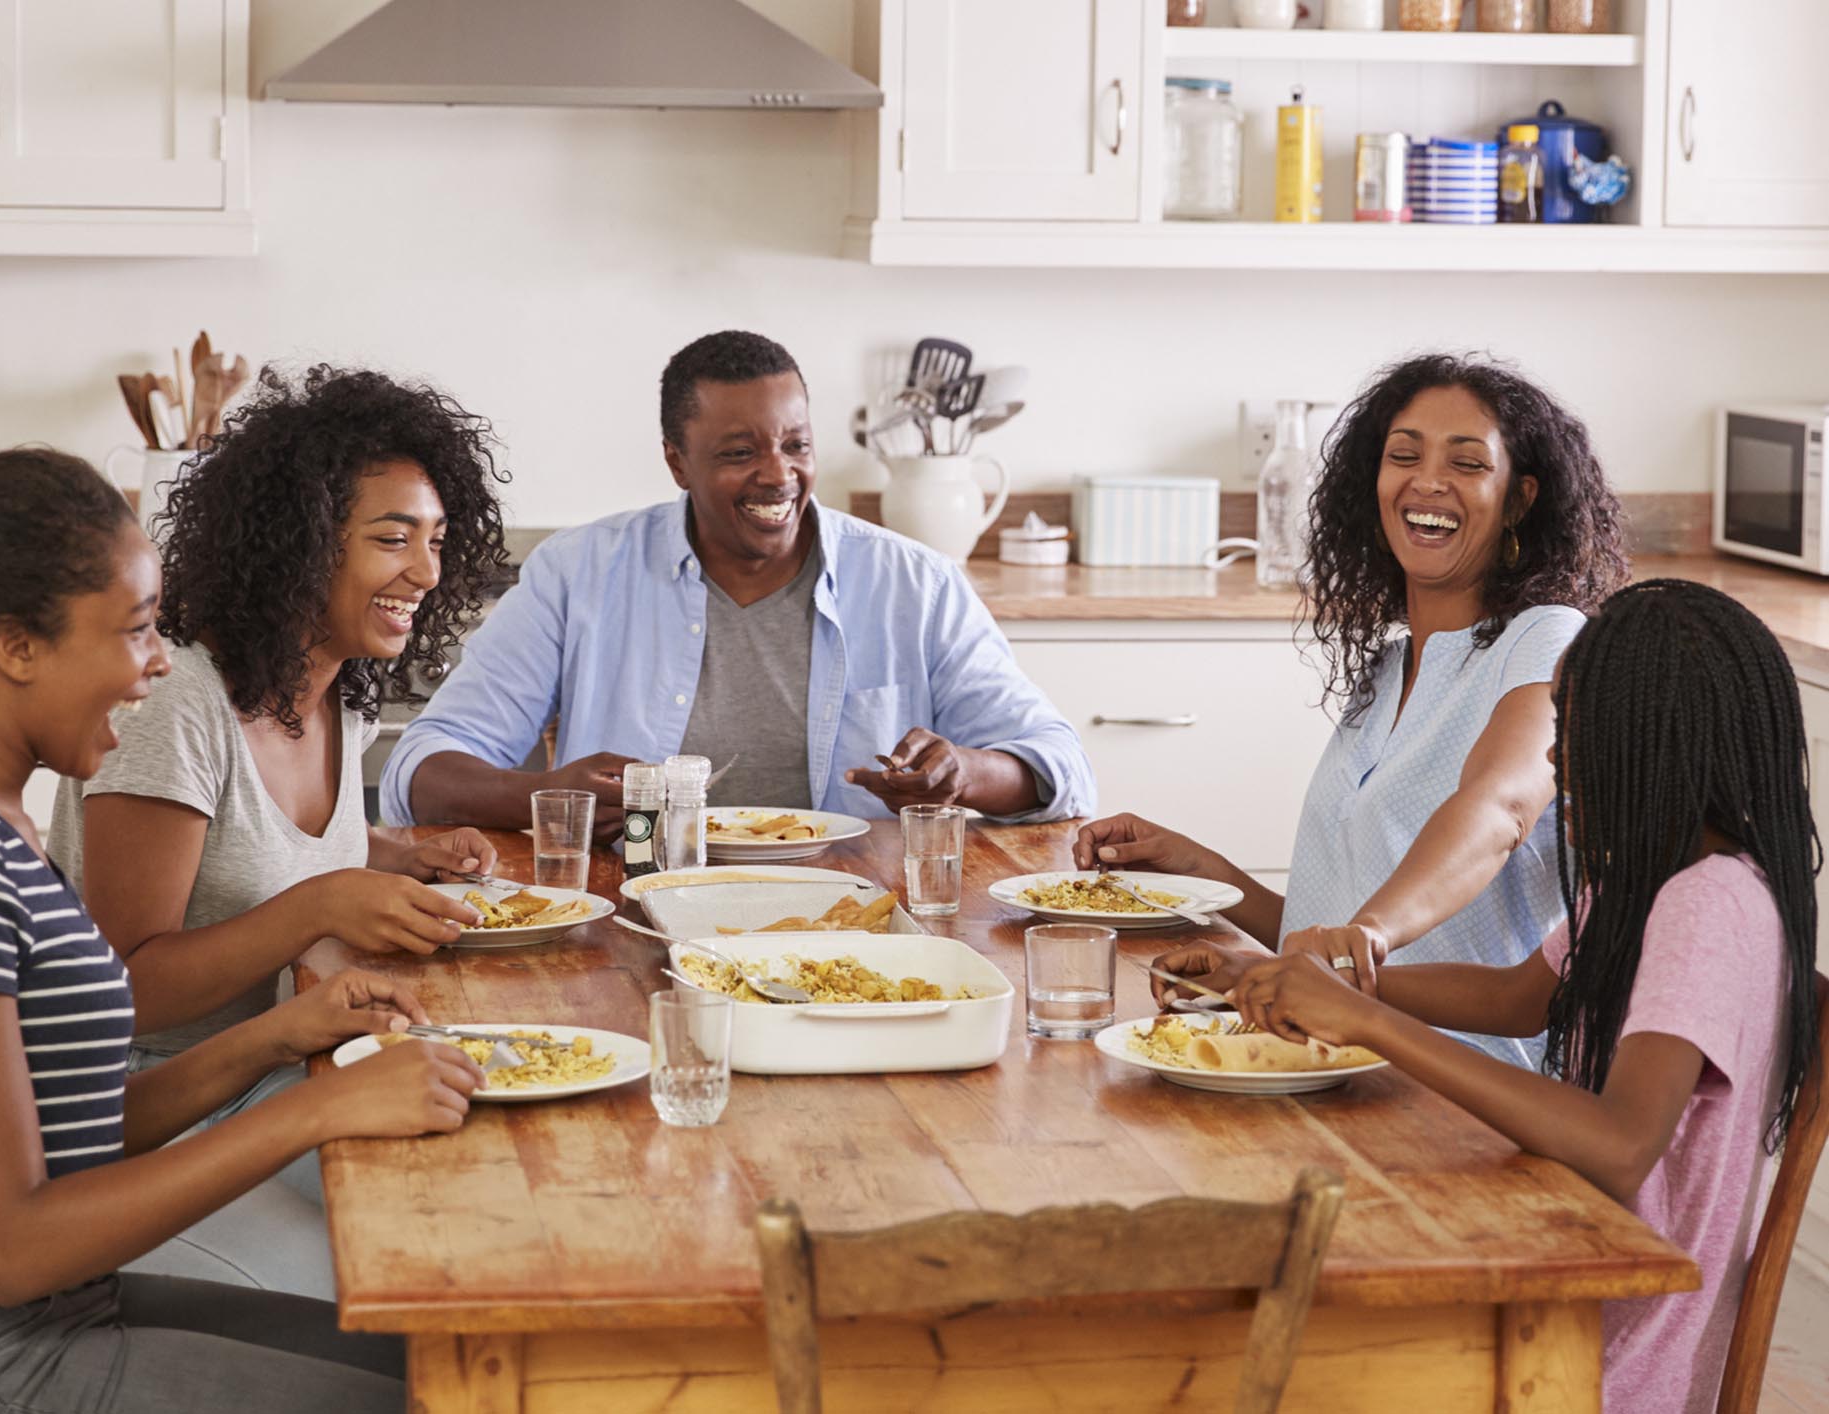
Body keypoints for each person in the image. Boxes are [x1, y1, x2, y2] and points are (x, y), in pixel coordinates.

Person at [0, 432, 485, 1413]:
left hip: (40, 1323)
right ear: (14, 644)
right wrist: (316, 1106)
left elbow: (70, 1131)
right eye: (133, 629)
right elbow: (15, 1246)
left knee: (449, 1365)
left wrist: (280, 1036)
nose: (158, 664)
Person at [1169, 580, 1819, 1414]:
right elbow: (1518, 998)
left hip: (1602, 1352)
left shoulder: (1708, 905)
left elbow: (1621, 1145)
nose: (1553, 761)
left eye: (1574, 738)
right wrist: (1310, 986)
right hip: (1568, 1278)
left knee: (1267, 1352)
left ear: (1655, 748)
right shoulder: (1651, 878)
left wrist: (1366, 1018)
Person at [44, 365, 511, 1295]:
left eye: (436, 541)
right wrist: (322, 904)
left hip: (276, 1077)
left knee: (494, 1197)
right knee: (428, 1283)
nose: (425, 572)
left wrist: (391, 851)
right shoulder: (177, 703)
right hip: (142, 1123)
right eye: (392, 540)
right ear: (300, 546)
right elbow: (125, 985)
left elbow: (245, 842)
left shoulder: (340, 692)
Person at [1075, 353, 1629, 1066]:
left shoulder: (1547, 639)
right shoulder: (1390, 667)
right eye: (1403, 456)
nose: (1426, 481)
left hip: (1462, 1091)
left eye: (1466, 464)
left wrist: (1366, 933)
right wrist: (1203, 872)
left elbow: (1501, 809)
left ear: (1519, 500)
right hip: (1336, 1063)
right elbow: (1330, 943)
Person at [382, 329, 1093, 836]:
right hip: (639, 910)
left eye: (796, 444)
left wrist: (962, 773)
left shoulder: (915, 583)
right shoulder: (577, 573)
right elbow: (419, 772)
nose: (778, 475)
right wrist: (542, 795)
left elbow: (1060, 767)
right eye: (738, 452)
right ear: (676, 462)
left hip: (860, 917)